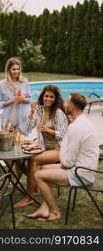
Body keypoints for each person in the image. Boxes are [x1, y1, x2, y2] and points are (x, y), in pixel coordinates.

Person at [27, 92, 99, 221]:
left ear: (73, 106)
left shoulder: (77, 127)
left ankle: (55, 212)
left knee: (38, 175)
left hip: (82, 173)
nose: (64, 104)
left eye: (67, 102)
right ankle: (44, 208)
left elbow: (67, 162)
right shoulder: (81, 121)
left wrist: (61, 164)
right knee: (44, 169)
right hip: (80, 167)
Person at [14, 85, 69, 208]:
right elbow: (27, 129)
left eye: (51, 97)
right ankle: (35, 187)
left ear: (55, 99)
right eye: (46, 96)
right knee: (20, 159)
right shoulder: (39, 110)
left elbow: (65, 135)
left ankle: (29, 197)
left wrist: (48, 130)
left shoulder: (58, 113)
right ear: (42, 97)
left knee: (33, 160)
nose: (48, 99)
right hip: (42, 147)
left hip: (57, 148)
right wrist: (31, 114)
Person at [0, 57, 31, 136]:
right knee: (9, 145)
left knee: (20, 143)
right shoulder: (1, 84)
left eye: (18, 69)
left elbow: (30, 99)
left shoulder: (24, 82)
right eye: (13, 69)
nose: (16, 71)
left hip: (22, 118)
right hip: (9, 119)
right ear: (8, 70)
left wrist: (23, 99)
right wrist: (11, 101)